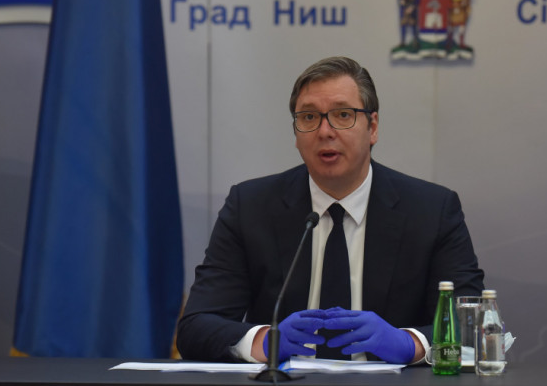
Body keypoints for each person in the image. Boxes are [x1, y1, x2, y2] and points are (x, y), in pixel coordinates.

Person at [177, 56, 484, 364]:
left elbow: (471, 325)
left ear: (373, 127)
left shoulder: (431, 211)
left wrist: (410, 344)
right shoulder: (251, 207)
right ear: (296, 133)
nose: (325, 131)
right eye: (309, 117)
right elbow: (196, 327)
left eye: (343, 114)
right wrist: (264, 342)